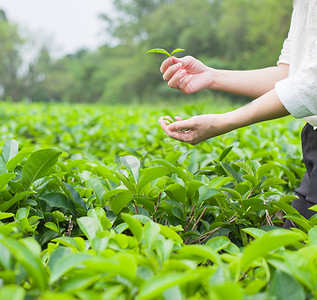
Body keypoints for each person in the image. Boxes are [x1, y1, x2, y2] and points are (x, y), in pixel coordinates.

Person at [158, 0, 317, 229]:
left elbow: (311, 86)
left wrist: (223, 122)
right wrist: (212, 76)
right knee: (294, 243)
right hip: (312, 140)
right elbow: (291, 74)